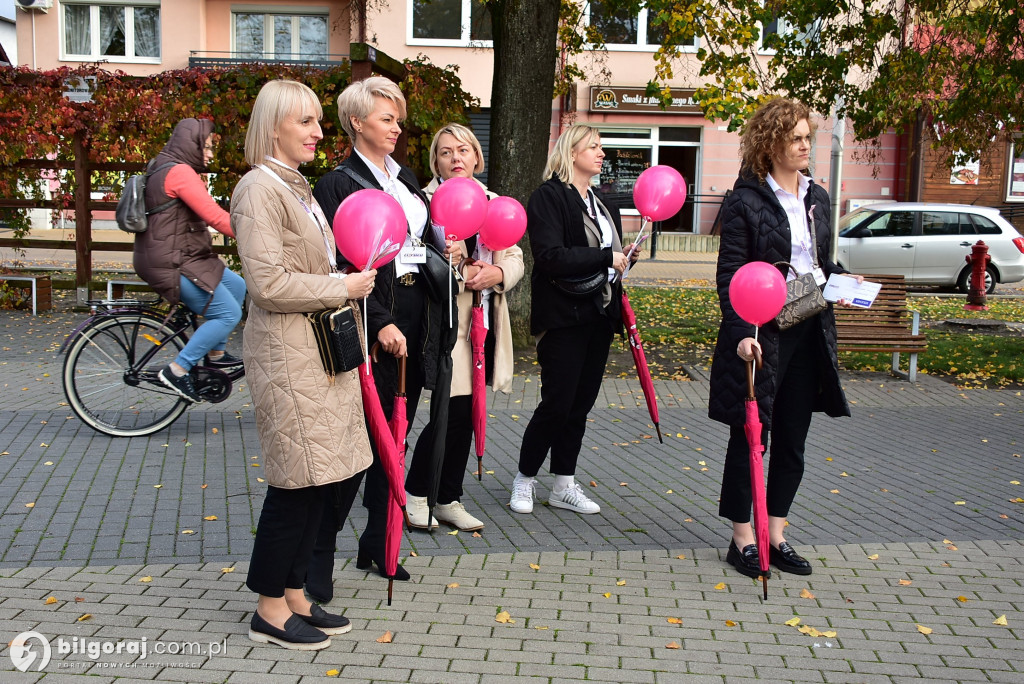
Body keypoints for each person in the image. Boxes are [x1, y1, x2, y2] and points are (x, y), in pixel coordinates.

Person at [231, 79, 377, 650]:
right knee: (295, 482)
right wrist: (342, 284)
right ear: (274, 128)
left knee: (321, 479)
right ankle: (268, 608)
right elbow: (267, 283)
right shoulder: (257, 190)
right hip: (289, 355)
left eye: (320, 121)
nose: (320, 132)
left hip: (316, 351)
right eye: (308, 122)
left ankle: (294, 594)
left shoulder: (295, 188)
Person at [307, 76, 454, 601]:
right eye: (387, 118)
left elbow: (416, 240)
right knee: (360, 443)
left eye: (398, 118)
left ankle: (378, 540)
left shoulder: (405, 176)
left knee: (397, 432)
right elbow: (342, 262)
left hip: (419, 315)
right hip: (373, 318)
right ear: (356, 122)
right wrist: (378, 322)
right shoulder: (337, 184)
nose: (397, 127)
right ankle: (317, 557)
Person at [708, 97, 858, 579]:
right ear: (771, 142)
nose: (803, 146)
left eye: (807, 137)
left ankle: (777, 536)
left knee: (793, 436)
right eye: (794, 138)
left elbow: (819, 261)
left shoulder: (818, 196)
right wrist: (740, 334)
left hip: (810, 327)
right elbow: (731, 275)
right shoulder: (744, 201)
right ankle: (742, 540)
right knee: (752, 437)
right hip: (761, 334)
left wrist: (847, 284)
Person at [510, 123, 638, 516]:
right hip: (563, 316)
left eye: (602, 146)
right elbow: (550, 257)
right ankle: (524, 479)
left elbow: (606, 257)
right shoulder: (549, 197)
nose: (601, 153)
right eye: (593, 146)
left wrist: (623, 257)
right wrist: (604, 257)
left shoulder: (603, 203)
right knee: (557, 403)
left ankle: (563, 483)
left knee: (580, 405)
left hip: (599, 315)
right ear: (571, 152)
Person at [405, 123, 525, 532]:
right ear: (435, 162)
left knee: (468, 414)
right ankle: (417, 493)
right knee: (447, 413)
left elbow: (515, 256)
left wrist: (497, 272)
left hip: (484, 324)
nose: (456, 158)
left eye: (463, 150)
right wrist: (454, 260)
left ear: (477, 156)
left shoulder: (494, 202)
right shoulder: (421, 205)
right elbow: (415, 264)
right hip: (444, 326)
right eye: (445, 152)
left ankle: (448, 498)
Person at [132, 117, 246, 403]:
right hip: (171, 262)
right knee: (228, 313)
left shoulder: (162, 165)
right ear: (190, 144)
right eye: (206, 147)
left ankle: (216, 354)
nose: (209, 153)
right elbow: (216, 217)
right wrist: (257, 233)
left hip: (181, 256)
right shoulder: (180, 173)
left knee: (237, 286)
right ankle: (178, 370)